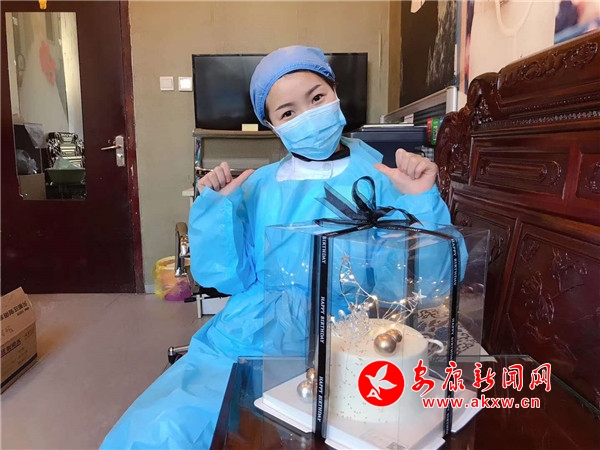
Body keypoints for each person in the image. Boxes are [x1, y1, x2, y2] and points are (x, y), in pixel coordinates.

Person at [100, 45, 452, 449]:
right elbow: (226, 278)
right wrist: (215, 210)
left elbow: (419, 285)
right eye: (288, 112)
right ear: (272, 124)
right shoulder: (258, 186)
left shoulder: (383, 179)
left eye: (316, 98)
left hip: (353, 333)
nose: (308, 115)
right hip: (256, 330)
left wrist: (421, 202)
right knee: (169, 427)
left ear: (335, 92)